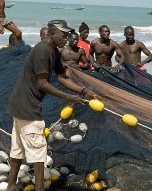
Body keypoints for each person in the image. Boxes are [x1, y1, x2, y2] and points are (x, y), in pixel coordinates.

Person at [6, 20, 98, 191]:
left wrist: (84, 91)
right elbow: (42, 83)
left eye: (68, 34)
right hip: (28, 105)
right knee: (39, 151)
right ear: (52, 33)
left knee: (18, 148)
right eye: (63, 35)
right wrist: (69, 97)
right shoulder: (42, 51)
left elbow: (62, 77)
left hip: (19, 103)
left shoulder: (53, 51)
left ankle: (11, 186)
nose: (67, 38)